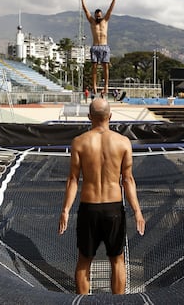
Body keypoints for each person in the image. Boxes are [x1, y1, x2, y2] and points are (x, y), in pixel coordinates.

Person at [58, 98, 145, 294]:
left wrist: (65, 210)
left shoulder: (79, 142)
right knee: (117, 260)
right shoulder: (123, 142)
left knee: (83, 260)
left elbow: (73, 180)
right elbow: (128, 180)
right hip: (114, 208)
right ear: (110, 117)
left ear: (89, 117)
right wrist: (137, 211)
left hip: (89, 207)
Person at [81, 0, 117, 97]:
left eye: (99, 16)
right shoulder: (92, 21)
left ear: (101, 15)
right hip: (95, 46)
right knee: (94, 67)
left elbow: (110, 10)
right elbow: (86, 11)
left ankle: (106, 85)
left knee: (105, 66)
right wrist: (83, 1)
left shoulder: (105, 21)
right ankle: (94, 85)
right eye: (97, 16)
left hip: (104, 46)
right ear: (95, 16)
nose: (98, 17)